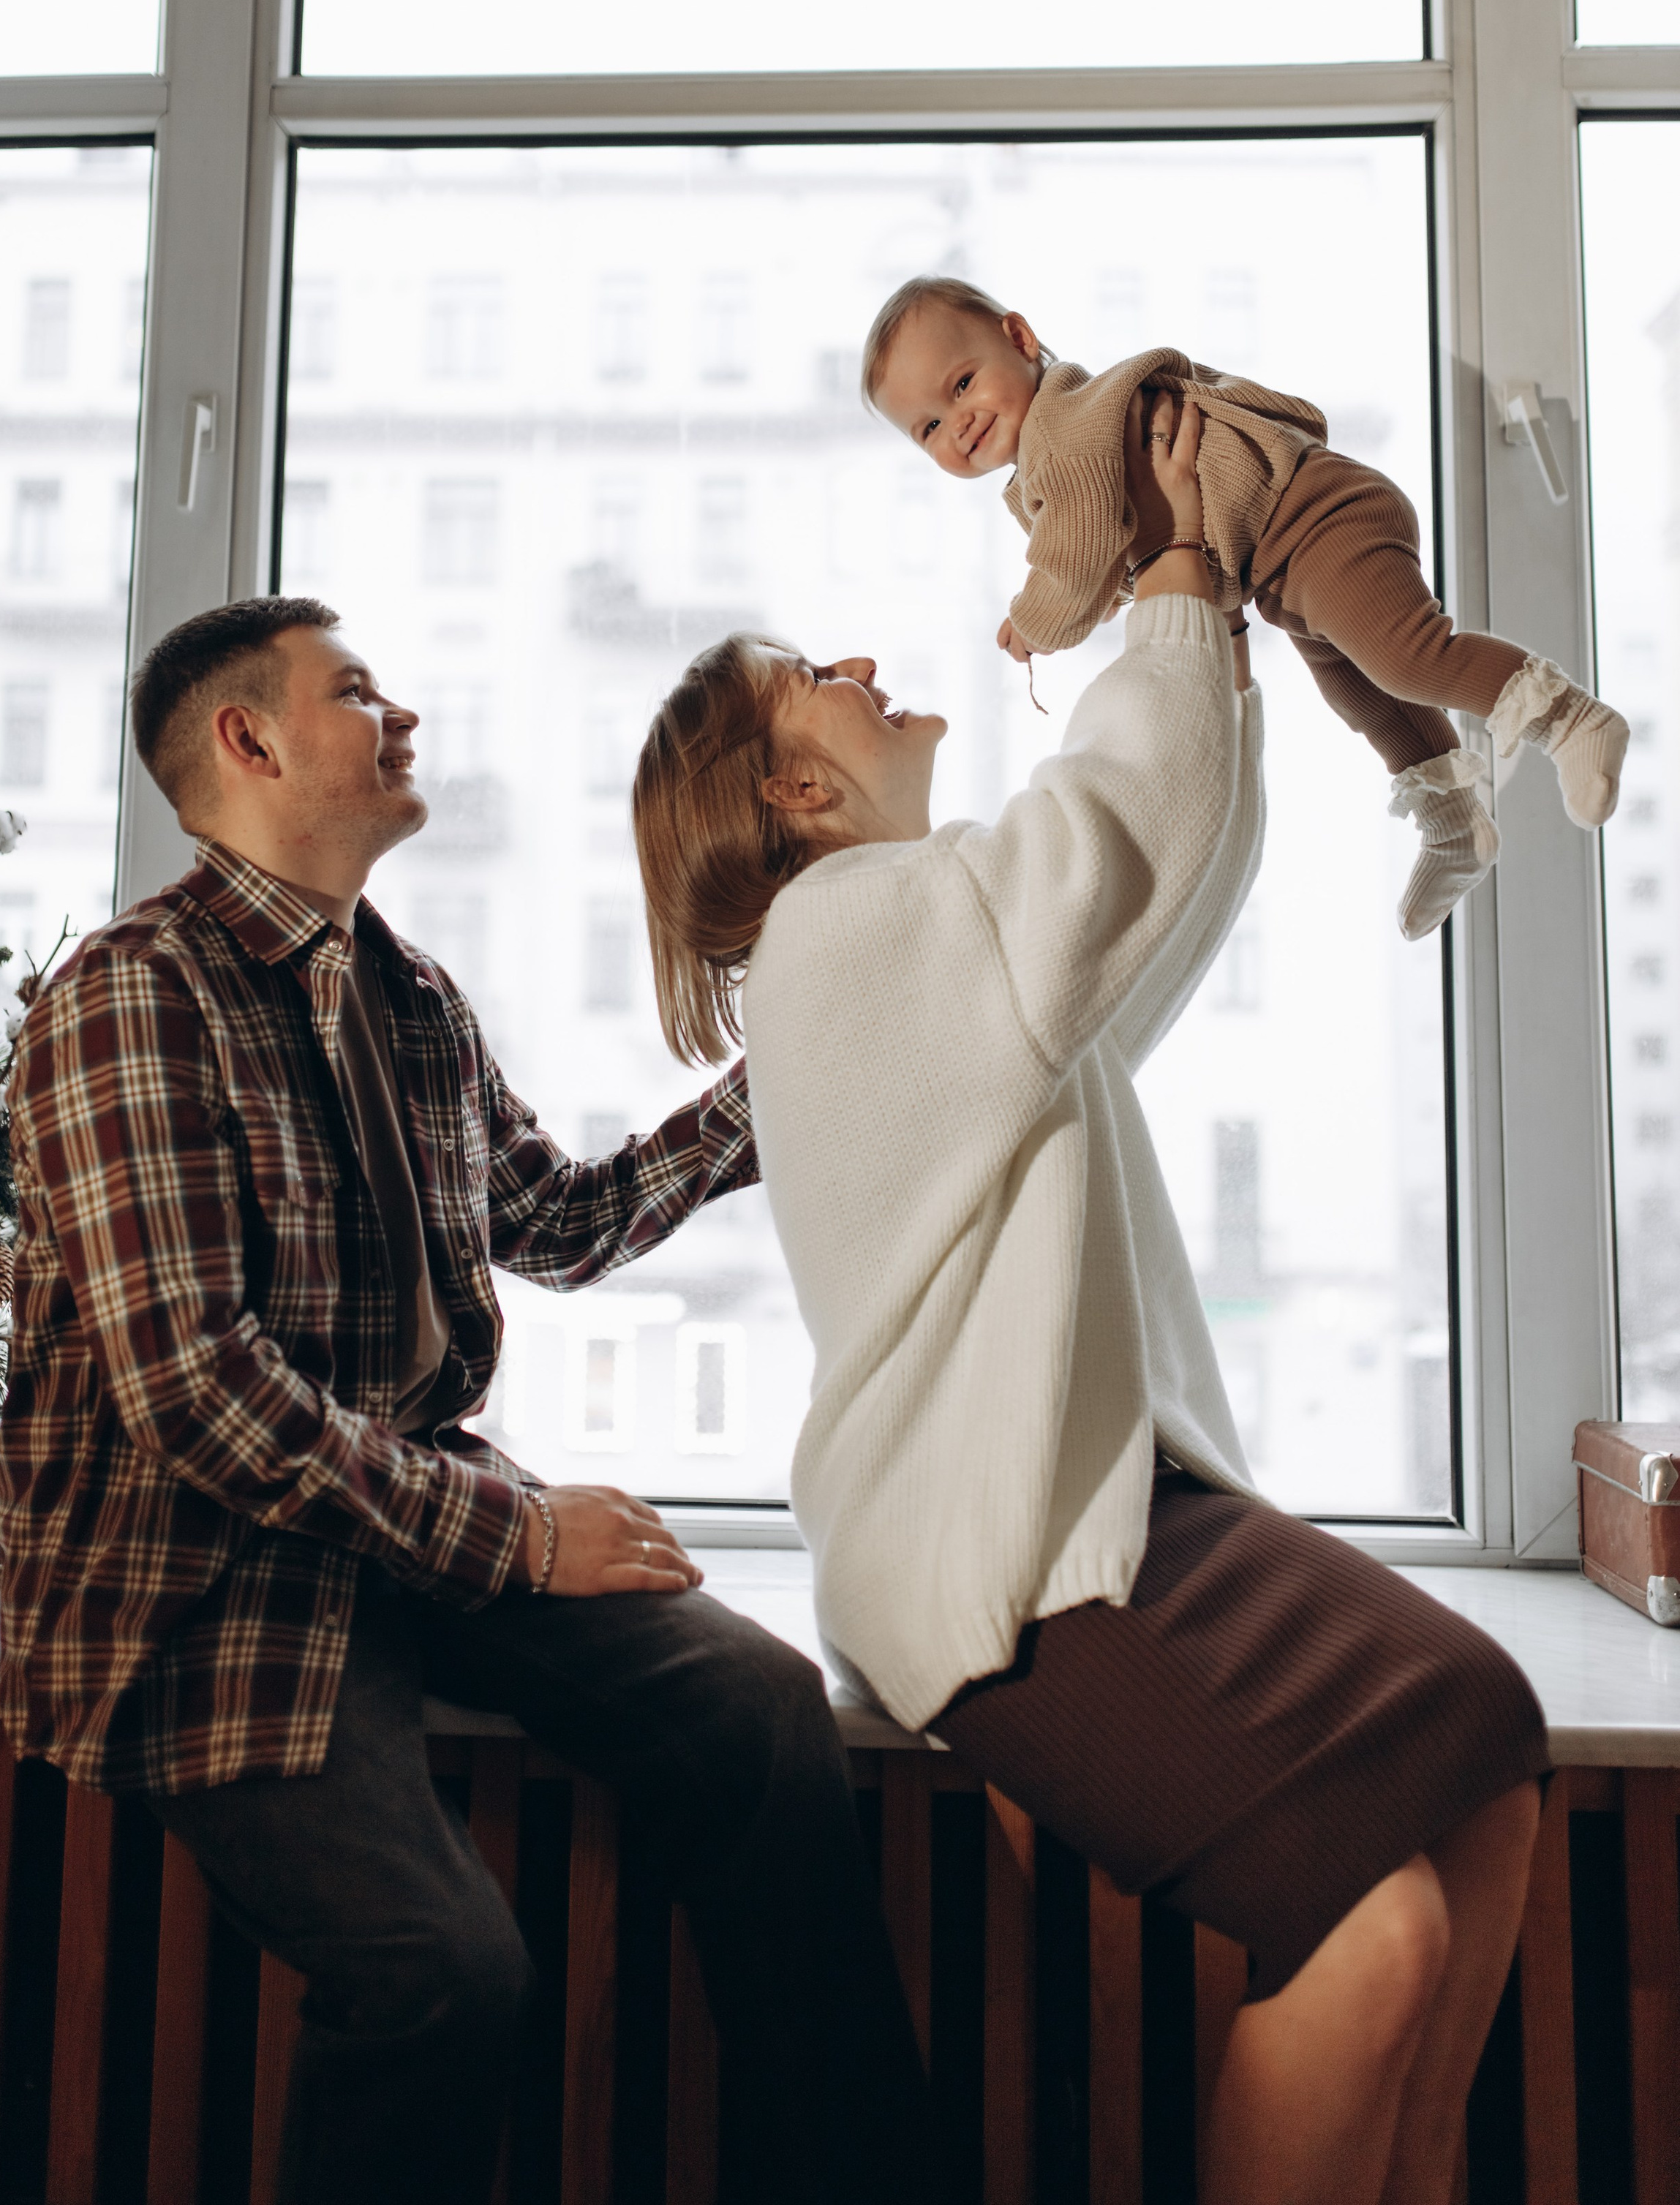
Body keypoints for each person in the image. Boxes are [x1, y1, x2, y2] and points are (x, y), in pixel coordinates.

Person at [633, 404, 1548, 2205]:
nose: (863, 665)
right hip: (1009, 1560)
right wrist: (1178, 564)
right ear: (794, 792)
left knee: (1483, 1737)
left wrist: (1187, 603)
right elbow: (1127, 833)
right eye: (811, 678)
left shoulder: (930, 921)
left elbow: (1162, 882)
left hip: (1123, 1508)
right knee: (1369, 1941)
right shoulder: (838, 938)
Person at [0, 594, 929, 2205]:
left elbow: (554, 1221)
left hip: (397, 1533)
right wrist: (514, 1540)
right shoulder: (128, 998)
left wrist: (809, 1051)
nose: (403, 715)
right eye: (358, 692)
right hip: (206, 1589)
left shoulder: (407, 996)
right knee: (448, 1972)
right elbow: (203, 1396)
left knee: (763, 1715)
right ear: (249, 739)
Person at [862, 271, 1627, 941]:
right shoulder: (1058, 454)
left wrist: (1033, 622)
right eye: (928, 426)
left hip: (1318, 517)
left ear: (1020, 338)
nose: (955, 422)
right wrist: (1088, 599)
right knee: (1364, 696)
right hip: (1281, 567)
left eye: (961, 385)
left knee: (1406, 656)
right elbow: (1113, 556)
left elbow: (1075, 558)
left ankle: (1569, 716)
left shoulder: (1063, 429)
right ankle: (1454, 824)